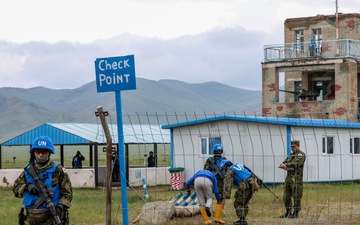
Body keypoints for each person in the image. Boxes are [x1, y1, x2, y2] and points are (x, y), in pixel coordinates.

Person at [13, 136, 73, 225]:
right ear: (33, 153)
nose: (41, 154)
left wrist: (60, 207)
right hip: (31, 218)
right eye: (38, 151)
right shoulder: (28, 170)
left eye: (44, 152)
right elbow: (15, 189)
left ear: (49, 153)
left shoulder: (58, 170)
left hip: (52, 217)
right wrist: (27, 186)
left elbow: (68, 194)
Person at [221, 160, 258, 225]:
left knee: (238, 203)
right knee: (245, 202)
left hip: (245, 184)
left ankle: (242, 221)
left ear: (225, 166)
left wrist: (225, 196)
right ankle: (243, 220)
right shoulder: (238, 164)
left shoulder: (230, 169)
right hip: (253, 184)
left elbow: (228, 183)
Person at [278, 140, 306, 219]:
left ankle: (295, 213)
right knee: (286, 195)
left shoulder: (301, 155)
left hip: (296, 179)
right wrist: (284, 165)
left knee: (296, 196)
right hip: (289, 178)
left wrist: (286, 164)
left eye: (294, 146)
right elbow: (285, 162)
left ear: (298, 146)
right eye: (291, 147)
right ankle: (288, 211)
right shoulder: (291, 155)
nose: (292, 148)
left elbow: (297, 164)